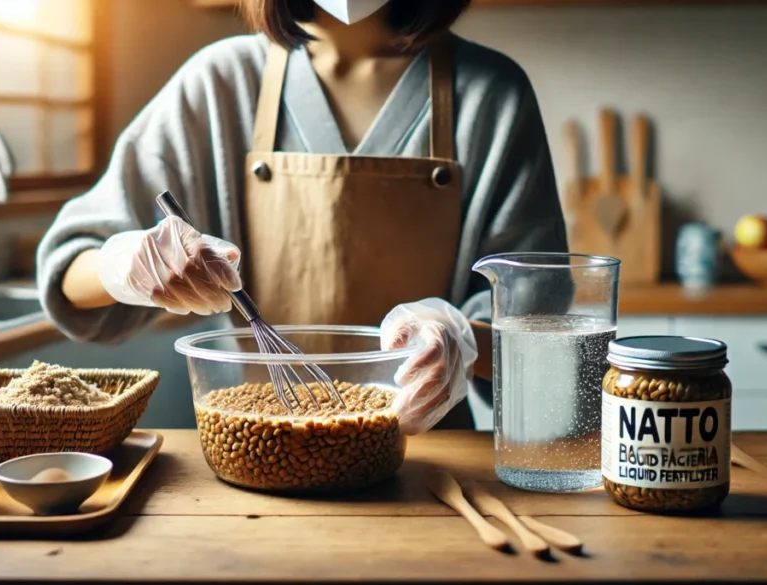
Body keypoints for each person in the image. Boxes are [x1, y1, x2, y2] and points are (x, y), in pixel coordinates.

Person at [37, 0, 568, 435]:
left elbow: (545, 338)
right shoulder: (220, 83)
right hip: (259, 443)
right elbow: (68, 278)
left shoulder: (492, 95)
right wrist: (124, 264)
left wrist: (463, 340)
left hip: (431, 461)